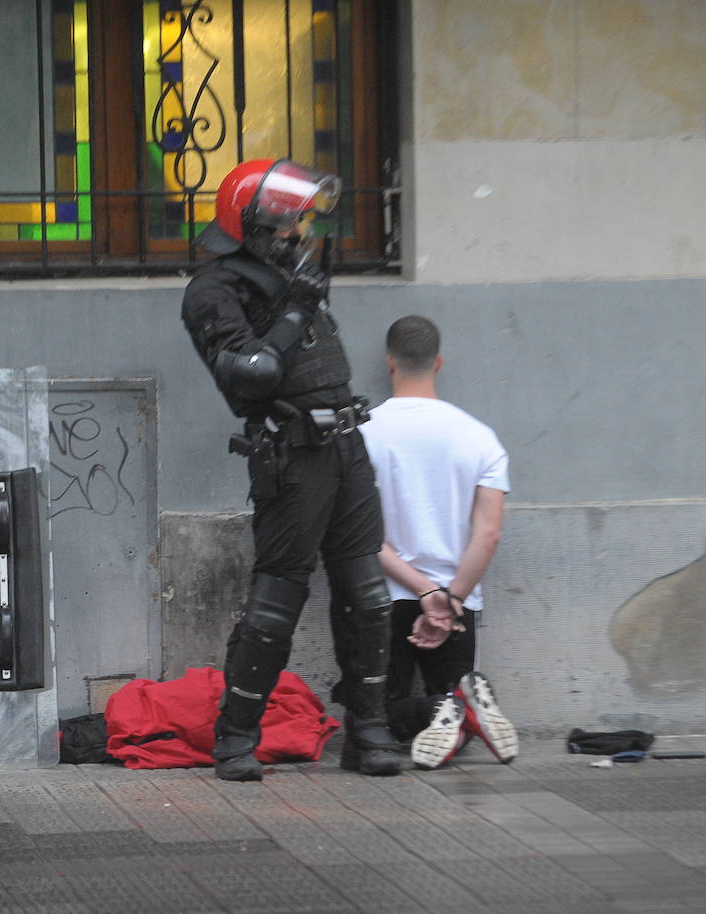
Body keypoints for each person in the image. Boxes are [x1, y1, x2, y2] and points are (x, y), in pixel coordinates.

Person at [181, 158, 403, 781]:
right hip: (292, 452)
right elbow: (250, 373)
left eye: (298, 223)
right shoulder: (214, 289)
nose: (295, 235)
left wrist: (298, 300)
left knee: (369, 597)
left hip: (345, 445)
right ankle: (234, 739)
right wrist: (296, 311)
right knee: (277, 599)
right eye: (282, 226)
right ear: (246, 226)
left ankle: (370, 731)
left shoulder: (290, 275)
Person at [342, 314, 518, 769]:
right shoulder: (481, 438)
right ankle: (452, 705)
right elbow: (488, 533)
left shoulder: (363, 434)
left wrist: (422, 591)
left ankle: (438, 710)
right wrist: (448, 599)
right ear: (438, 363)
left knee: (374, 723)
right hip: (458, 603)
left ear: (389, 363)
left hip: (386, 594)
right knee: (454, 724)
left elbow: (362, 538)